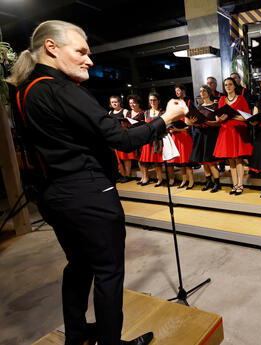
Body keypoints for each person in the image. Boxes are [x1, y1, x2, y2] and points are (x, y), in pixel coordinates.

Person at [7, 20, 187, 345]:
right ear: (52, 47)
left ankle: (77, 336)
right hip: (88, 196)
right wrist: (166, 120)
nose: (89, 60)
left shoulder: (25, 89)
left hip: (54, 195)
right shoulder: (60, 89)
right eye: (81, 52)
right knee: (108, 272)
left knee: (78, 266)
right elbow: (122, 139)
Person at [213, 77, 252, 195]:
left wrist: (232, 116)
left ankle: (240, 185)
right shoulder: (222, 99)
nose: (228, 86)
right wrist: (220, 118)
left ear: (235, 86)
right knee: (231, 160)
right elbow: (217, 117)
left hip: (237, 130)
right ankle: (235, 185)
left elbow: (247, 117)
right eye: (226, 85)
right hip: (226, 131)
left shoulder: (241, 99)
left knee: (239, 159)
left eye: (230, 84)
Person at [187, 85, 222, 192]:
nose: (202, 92)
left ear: (209, 92)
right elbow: (193, 123)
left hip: (210, 135)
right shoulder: (199, 107)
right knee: (203, 161)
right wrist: (193, 122)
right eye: (200, 91)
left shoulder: (215, 106)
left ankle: (217, 183)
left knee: (210, 161)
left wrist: (206, 122)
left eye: (204, 91)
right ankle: (208, 182)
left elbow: (218, 122)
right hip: (200, 135)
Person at [168, 97, 195, 189]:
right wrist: (171, 130)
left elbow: (187, 128)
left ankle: (191, 181)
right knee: (180, 163)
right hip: (176, 139)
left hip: (184, 139)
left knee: (186, 162)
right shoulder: (173, 116)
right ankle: (184, 181)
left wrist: (177, 129)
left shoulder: (185, 114)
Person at [139, 92, 165, 187]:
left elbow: (164, 126)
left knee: (157, 161)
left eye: (154, 100)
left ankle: (160, 179)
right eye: (151, 100)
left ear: (158, 101)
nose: (152, 102)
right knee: (144, 160)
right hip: (148, 139)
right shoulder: (146, 112)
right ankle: (145, 178)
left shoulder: (162, 112)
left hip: (157, 139)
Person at [108, 95, 131, 182]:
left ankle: (128, 176)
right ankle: (122, 175)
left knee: (126, 157)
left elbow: (129, 123)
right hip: (114, 137)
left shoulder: (124, 111)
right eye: (112, 102)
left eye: (116, 102)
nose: (114, 103)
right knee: (117, 158)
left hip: (123, 136)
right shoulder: (110, 113)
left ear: (119, 102)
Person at [127, 94, 148, 185]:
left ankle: (146, 177)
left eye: (134, 103)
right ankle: (142, 177)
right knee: (137, 158)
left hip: (141, 137)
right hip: (132, 137)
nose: (132, 105)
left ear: (138, 103)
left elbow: (146, 125)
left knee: (143, 158)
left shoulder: (143, 113)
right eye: (130, 103)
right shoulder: (128, 113)